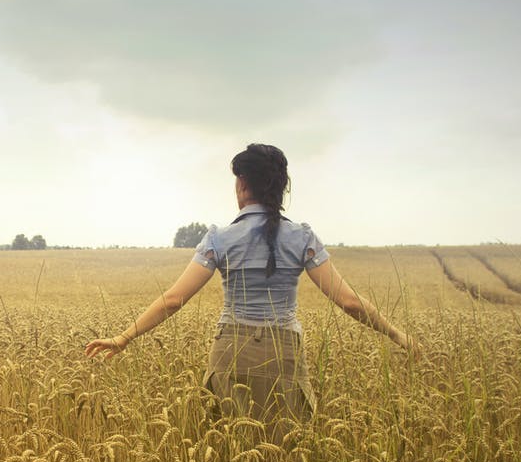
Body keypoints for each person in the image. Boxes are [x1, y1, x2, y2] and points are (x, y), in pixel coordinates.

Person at [84, 144, 415, 442]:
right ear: (281, 188)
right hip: (282, 352)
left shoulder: (218, 238)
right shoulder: (302, 238)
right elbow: (350, 301)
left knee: (227, 449)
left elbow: (173, 299)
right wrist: (398, 335)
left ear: (242, 184)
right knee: (283, 451)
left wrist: (124, 337)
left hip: (231, 350)